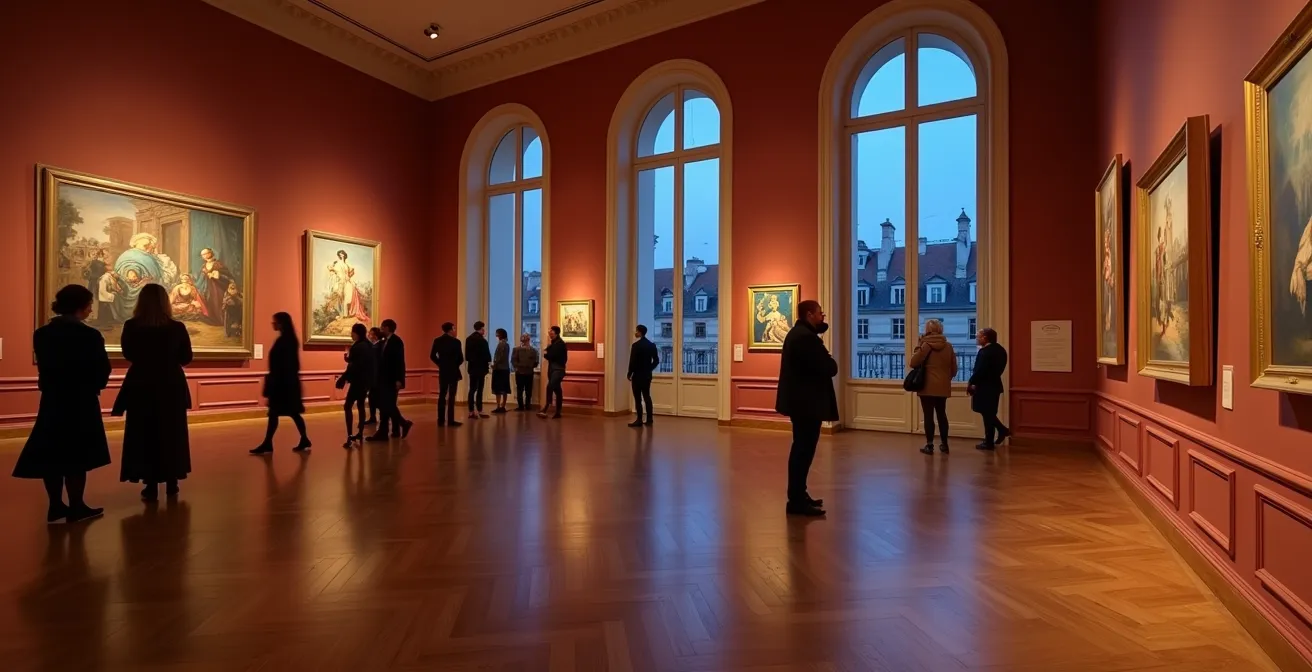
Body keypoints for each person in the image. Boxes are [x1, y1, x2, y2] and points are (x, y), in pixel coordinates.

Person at [13, 285, 111, 523]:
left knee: (52, 451)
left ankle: (55, 505)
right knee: (78, 454)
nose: (90, 308)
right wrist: (93, 384)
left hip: (53, 399)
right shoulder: (89, 335)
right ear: (81, 305)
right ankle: (76, 505)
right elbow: (102, 369)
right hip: (81, 399)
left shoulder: (42, 333)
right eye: (88, 303)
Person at [116, 283, 194, 500]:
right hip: (171, 384)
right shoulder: (176, 327)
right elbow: (186, 357)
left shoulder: (132, 326)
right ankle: (172, 481)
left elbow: (128, 353)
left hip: (142, 384)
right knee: (172, 432)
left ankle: (150, 483)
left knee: (144, 433)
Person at [774, 300, 837, 517]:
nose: (823, 317)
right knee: (803, 451)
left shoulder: (800, 335)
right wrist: (828, 359)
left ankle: (800, 495)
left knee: (802, 449)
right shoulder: (805, 338)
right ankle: (796, 500)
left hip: (803, 403)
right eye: (820, 313)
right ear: (810, 314)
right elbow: (830, 367)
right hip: (806, 404)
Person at [250, 312, 311, 454]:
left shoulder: (285, 340)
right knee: (287, 413)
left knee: (279, 413)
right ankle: (301, 439)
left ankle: (269, 443)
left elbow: (286, 364)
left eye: (275, 322)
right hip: (286, 383)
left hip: (283, 384)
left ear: (281, 323)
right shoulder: (288, 339)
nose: (273, 324)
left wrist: (276, 383)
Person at [908, 318, 958, 455]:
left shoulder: (925, 345)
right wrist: (945, 378)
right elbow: (954, 369)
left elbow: (913, 363)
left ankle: (929, 445)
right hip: (943, 385)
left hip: (927, 386)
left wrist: (919, 345)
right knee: (942, 415)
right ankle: (945, 444)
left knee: (928, 416)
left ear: (927, 330)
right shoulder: (948, 346)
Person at [368, 319, 413, 441]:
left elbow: (399, 362)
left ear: (387, 328)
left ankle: (402, 424)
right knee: (387, 405)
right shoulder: (384, 342)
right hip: (384, 380)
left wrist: (399, 380)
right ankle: (392, 431)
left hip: (392, 380)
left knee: (387, 405)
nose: (380, 329)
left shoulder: (396, 341)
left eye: (382, 327)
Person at [968, 327, 1010, 450]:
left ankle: (993, 438)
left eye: (978, 336)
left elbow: (980, 370)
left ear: (985, 338)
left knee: (987, 414)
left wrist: (971, 382)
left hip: (983, 386)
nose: (976, 338)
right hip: (995, 385)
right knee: (990, 413)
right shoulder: (1001, 350)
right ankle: (995, 435)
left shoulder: (984, 352)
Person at [339, 323, 376, 448]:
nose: (351, 334)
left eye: (352, 332)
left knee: (347, 406)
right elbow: (364, 363)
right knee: (360, 405)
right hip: (366, 382)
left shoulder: (357, 347)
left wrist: (342, 379)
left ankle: (349, 435)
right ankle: (360, 432)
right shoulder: (369, 346)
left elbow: (353, 366)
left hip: (357, 382)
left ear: (357, 333)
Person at [430, 322, 464, 427]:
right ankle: (450, 420)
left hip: (443, 371)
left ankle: (440, 419)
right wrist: (454, 364)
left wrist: (441, 364)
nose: (455, 330)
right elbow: (461, 359)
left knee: (442, 394)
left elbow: (432, 356)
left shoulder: (437, 340)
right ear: (450, 330)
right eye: (454, 328)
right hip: (453, 371)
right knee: (452, 396)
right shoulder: (456, 342)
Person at [627, 324, 660, 427]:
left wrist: (629, 373)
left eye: (636, 331)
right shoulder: (651, 345)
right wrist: (649, 368)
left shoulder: (635, 346)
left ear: (640, 332)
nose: (635, 333)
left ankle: (639, 419)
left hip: (637, 375)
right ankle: (649, 418)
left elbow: (632, 362)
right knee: (647, 396)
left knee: (637, 398)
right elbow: (656, 360)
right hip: (646, 375)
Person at [465, 321, 492, 419]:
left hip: (472, 368)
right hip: (481, 368)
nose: (484, 330)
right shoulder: (482, 341)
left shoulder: (468, 339)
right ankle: (480, 410)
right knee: (480, 389)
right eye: (483, 328)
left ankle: (471, 411)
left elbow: (467, 356)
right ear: (481, 329)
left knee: (472, 389)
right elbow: (488, 356)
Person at [539, 326, 567, 419]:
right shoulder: (554, 344)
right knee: (557, 390)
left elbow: (551, 355)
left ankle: (546, 407)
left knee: (550, 386)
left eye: (551, 332)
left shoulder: (560, 344)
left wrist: (547, 354)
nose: (549, 333)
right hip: (553, 369)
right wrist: (547, 353)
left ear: (556, 333)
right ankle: (558, 412)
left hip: (558, 370)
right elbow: (549, 355)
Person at [512, 333, 539, 411]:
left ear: (528, 340)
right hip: (520, 373)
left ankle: (527, 406)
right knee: (520, 390)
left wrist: (530, 367)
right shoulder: (516, 349)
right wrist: (517, 368)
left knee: (528, 390)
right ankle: (520, 406)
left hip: (529, 373)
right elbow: (513, 361)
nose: (524, 341)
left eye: (526, 340)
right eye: (523, 340)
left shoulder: (533, 350)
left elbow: (536, 361)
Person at [363, 326, 384, 426]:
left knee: (376, 399)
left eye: (370, 334)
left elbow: (375, 365)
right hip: (375, 378)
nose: (368, 336)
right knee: (372, 398)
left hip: (376, 379)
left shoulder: (377, 347)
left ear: (375, 336)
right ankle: (373, 417)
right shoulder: (377, 346)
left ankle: (374, 417)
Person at [491, 328, 511, 413]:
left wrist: (494, 365)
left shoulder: (501, 344)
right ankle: (502, 406)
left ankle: (499, 406)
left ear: (499, 335)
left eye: (497, 334)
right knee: (504, 388)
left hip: (499, 369)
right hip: (505, 369)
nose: (496, 336)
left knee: (498, 389)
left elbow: (499, 357)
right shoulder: (506, 344)